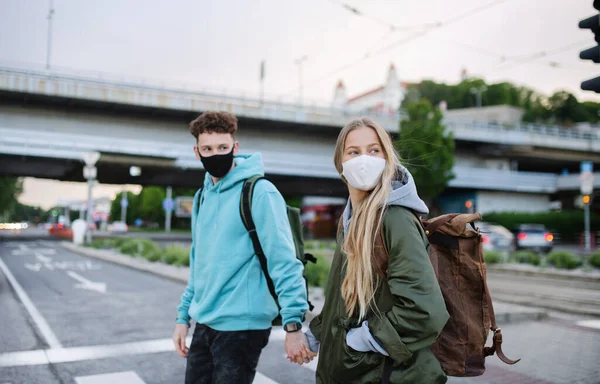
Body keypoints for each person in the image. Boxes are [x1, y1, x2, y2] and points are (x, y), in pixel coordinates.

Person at [304, 117, 450, 384]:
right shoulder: (350, 219)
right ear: (341, 163)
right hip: (355, 373)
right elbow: (345, 299)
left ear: (387, 158)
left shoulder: (395, 219)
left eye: (374, 150)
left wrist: (360, 340)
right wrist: (316, 335)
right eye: (353, 152)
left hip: (386, 375)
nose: (364, 159)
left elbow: (425, 311)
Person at [173, 111, 311, 384]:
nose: (216, 154)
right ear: (197, 152)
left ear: (235, 148)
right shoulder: (201, 198)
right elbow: (199, 264)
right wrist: (183, 317)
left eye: (223, 148)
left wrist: (293, 324)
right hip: (205, 324)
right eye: (207, 149)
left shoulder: (259, 192)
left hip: (242, 328)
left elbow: (283, 260)